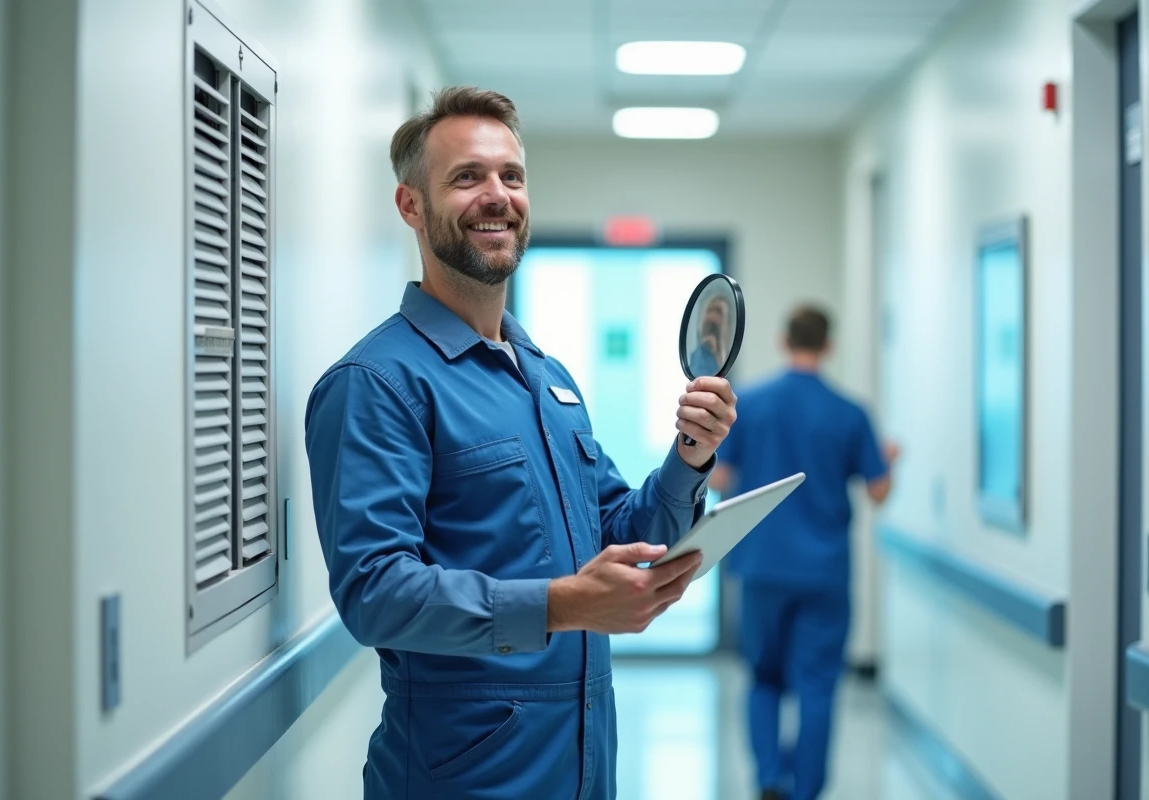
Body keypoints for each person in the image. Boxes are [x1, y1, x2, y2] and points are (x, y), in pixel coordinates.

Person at [303, 85, 738, 800]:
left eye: (512, 175)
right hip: (466, 778)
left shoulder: (546, 378)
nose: (497, 196)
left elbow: (619, 532)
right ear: (411, 206)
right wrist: (562, 606)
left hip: (582, 767)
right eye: (466, 177)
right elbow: (374, 591)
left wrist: (689, 456)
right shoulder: (378, 383)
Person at [710, 305, 898, 800]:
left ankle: (768, 780)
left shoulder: (750, 404)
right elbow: (878, 491)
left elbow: (719, 476)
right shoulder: (850, 413)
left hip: (761, 567)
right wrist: (889, 462)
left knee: (763, 678)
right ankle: (805, 790)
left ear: (782, 340)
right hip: (824, 574)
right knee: (816, 686)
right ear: (829, 345)